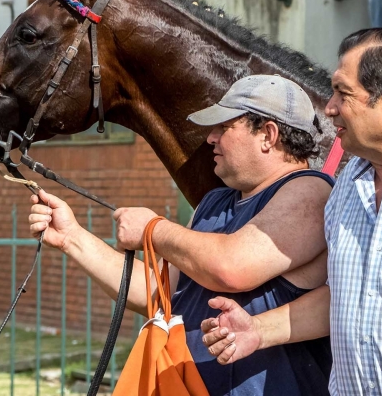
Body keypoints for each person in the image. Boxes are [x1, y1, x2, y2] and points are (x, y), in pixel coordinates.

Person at [29, 75, 334, 395]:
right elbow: (157, 293)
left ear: (268, 135)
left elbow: (232, 267)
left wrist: (153, 229)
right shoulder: (216, 202)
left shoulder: (310, 190)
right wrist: (72, 237)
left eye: (224, 127)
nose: (210, 139)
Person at [201, 28, 382, 395]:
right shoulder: (349, 183)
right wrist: (257, 330)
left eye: (343, 93)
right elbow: (345, 297)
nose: (330, 106)